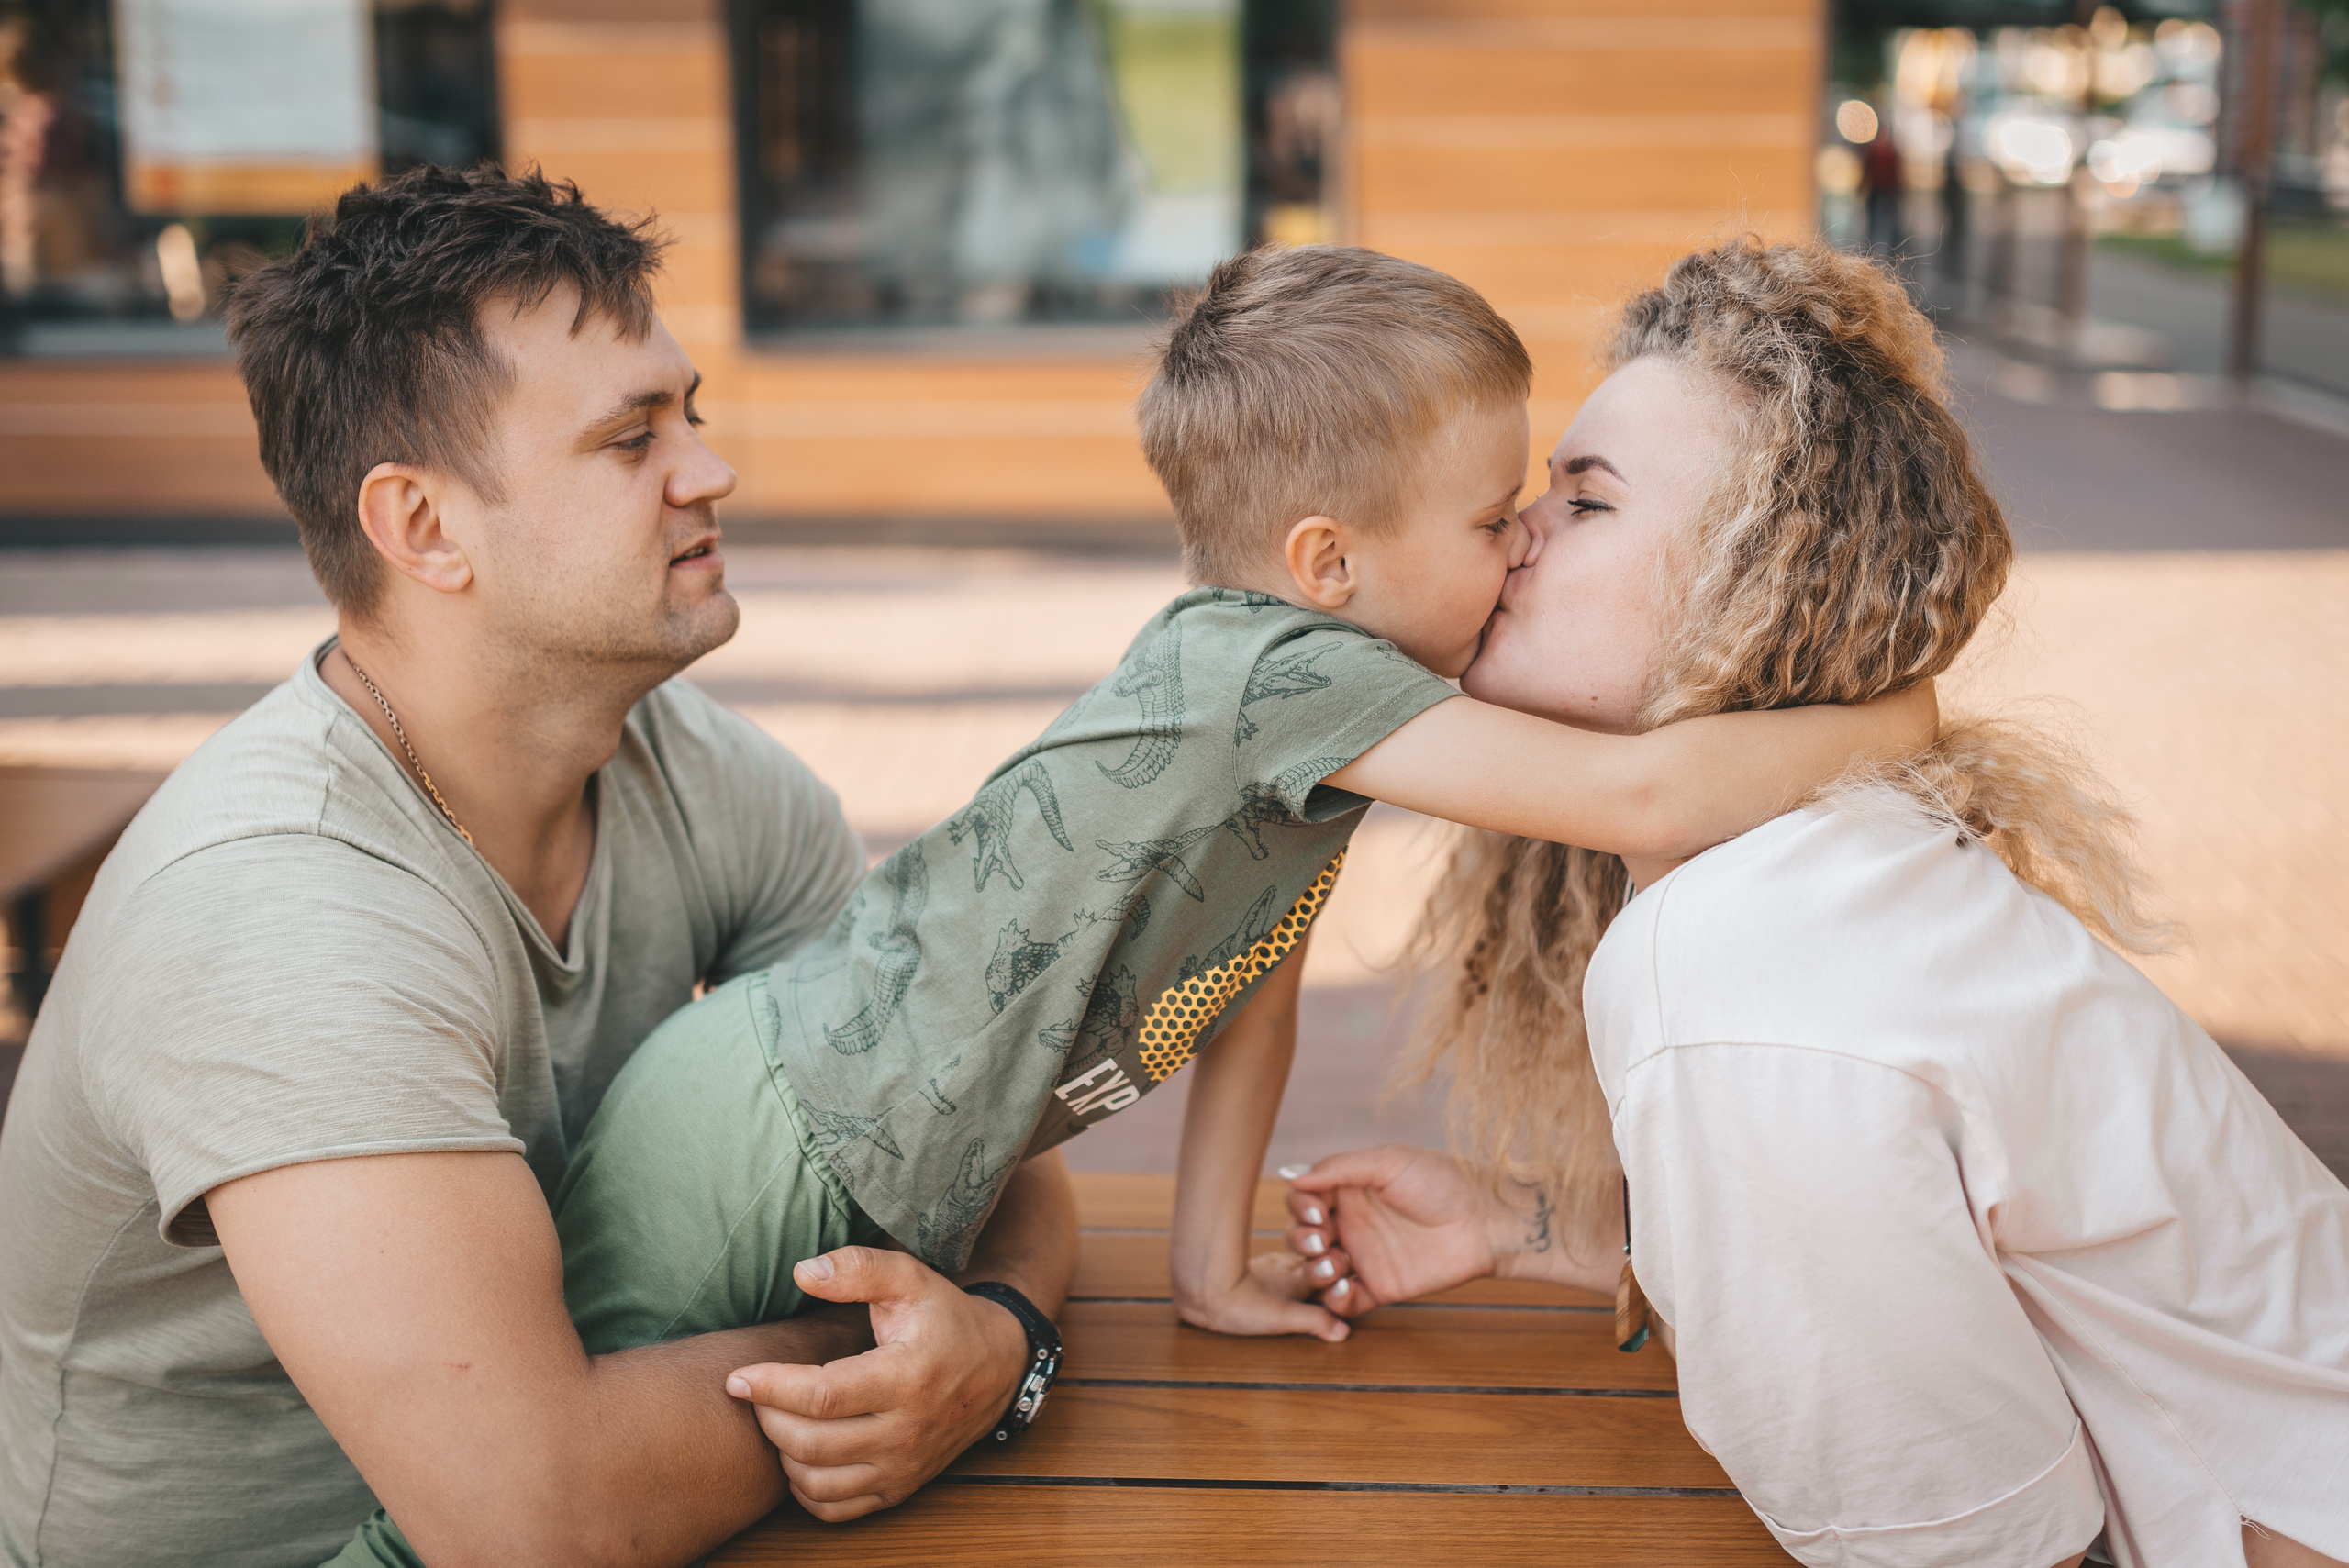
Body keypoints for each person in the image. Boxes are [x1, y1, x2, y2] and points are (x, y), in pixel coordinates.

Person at [491, 240, 1935, 1552]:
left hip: (832, 1127)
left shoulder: (1314, 715)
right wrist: (1911, 716)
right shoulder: (1287, 675)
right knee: (543, 1507)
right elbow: (1644, 798)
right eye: (1496, 518)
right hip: (758, 1125)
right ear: (1329, 563)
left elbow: (1255, 994)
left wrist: (1209, 1266)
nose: (1527, 547)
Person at [0, 165, 1079, 1568]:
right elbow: (537, 1517)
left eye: (688, 411)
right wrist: (883, 1361)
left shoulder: (701, 774)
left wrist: (998, 1338)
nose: (710, 468)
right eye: (631, 440)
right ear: (424, 527)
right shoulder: (275, 916)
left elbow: (987, 1122)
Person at [1284, 237, 2349, 1568]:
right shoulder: (1831, 866)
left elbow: (1966, 1551)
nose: (1514, 529)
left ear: (1756, 589)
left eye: (1588, 500)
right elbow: (1940, 1241)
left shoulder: (1737, 968)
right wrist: (1530, 1222)